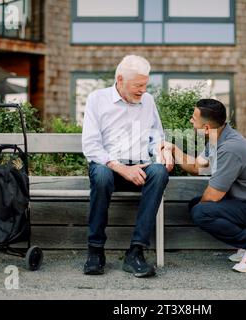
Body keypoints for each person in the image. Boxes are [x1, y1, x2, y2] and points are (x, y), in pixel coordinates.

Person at [81, 55, 173, 278]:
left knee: (159, 172)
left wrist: (163, 151)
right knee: (101, 175)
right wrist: (122, 168)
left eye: (145, 85)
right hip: (109, 167)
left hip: (140, 168)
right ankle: (95, 251)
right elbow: (91, 146)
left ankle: (136, 251)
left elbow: (156, 136)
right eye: (138, 85)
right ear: (120, 80)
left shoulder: (148, 101)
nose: (143, 90)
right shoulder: (97, 99)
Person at [166, 99, 246, 273]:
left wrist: (201, 209)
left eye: (193, 118)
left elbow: (213, 196)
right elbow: (197, 167)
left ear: (206, 127)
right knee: (195, 205)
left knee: (201, 212)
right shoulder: (217, 137)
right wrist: (174, 149)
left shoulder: (230, 148)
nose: (190, 120)